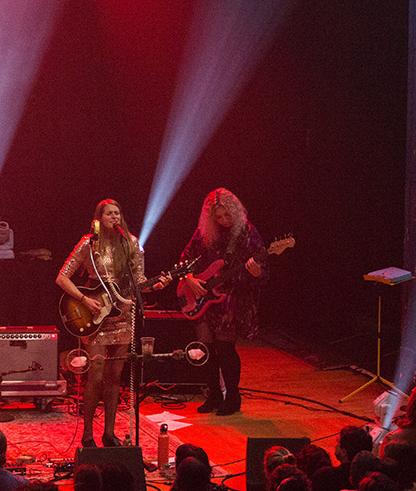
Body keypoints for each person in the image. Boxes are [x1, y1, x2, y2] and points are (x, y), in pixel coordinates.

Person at [57, 199, 166, 447]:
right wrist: (84, 299)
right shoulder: (89, 243)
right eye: (109, 214)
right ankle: (87, 434)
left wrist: (157, 284)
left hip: (122, 315)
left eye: (118, 213)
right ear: (99, 218)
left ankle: (109, 432)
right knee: (95, 373)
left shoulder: (132, 243)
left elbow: (139, 280)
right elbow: (62, 277)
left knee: (115, 376)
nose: (114, 217)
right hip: (95, 314)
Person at [178, 188, 266, 416]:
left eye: (227, 215)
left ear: (235, 211)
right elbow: (184, 259)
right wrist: (191, 279)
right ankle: (214, 394)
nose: (223, 220)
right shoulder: (205, 232)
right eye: (218, 217)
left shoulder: (247, 232)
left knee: (225, 348)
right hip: (204, 296)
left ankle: (233, 397)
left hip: (232, 297)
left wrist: (256, 271)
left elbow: (263, 271)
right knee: (205, 348)